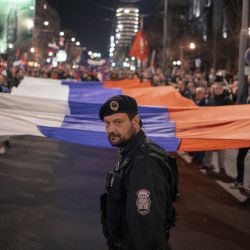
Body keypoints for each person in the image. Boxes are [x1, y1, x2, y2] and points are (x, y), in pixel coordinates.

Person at [99, 95, 177, 250]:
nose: (111, 129)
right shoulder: (132, 152)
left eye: (118, 122)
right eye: (107, 123)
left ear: (135, 121)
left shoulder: (144, 162)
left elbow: (146, 231)